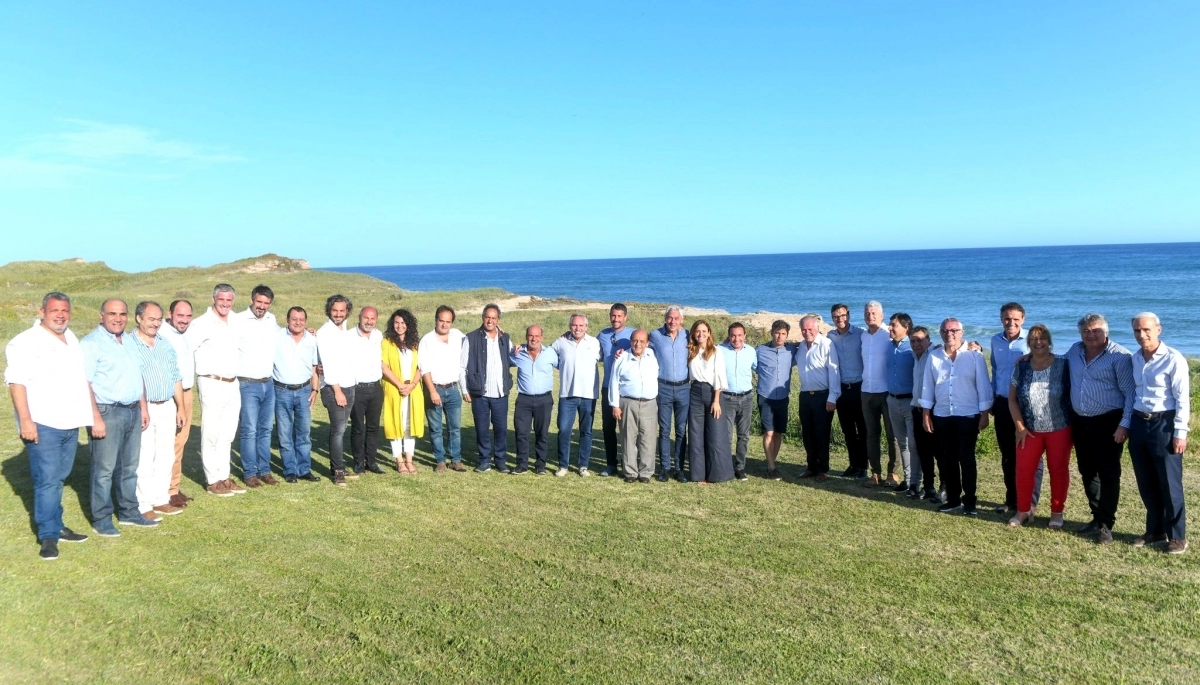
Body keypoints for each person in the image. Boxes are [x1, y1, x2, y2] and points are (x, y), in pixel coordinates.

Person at [5, 292, 97, 560]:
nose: (61, 315)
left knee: (59, 476)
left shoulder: (71, 338)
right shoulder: (25, 342)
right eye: (55, 310)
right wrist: (26, 421)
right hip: (43, 422)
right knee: (46, 480)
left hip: (69, 422)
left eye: (65, 310)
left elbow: (80, 380)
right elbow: (17, 382)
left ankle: (57, 525)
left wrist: (89, 416)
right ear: (42, 311)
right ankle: (47, 535)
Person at [81, 298, 155, 533]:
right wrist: (95, 418)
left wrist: (143, 407)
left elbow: (138, 376)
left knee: (129, 467)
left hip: (132, 410)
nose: (118, 318)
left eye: (122, 314)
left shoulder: (130, 342)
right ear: (101, 315)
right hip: (107, 412)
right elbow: (85, 383)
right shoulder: (91, 344)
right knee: (104, 470)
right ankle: (101, 519)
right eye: (112, 314)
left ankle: (128, 512)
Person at [1066, 313, 1134, 544]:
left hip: (1109, 422)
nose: (1090, 334)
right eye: (1086, 330)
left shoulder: (1119, 356)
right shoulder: (1075, 351)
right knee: (1087, 471)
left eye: (1095, 330)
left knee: (1109, 473)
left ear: (1106, 332)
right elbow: (1056, 363)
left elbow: (1130, 394)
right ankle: (1096, 517)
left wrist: (1124, 425)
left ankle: (1106, 525)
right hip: (1081, 422)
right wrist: (1029, 356)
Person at [1128, 313, 1189, 554]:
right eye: (1137, 331)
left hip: (1165, 423)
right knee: (1146, 481)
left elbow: (1182, 399)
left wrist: (1180, 432)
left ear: (1158, 330)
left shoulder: (1174, 359)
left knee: (1170, 484)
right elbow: (1133, 393)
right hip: (1139, 423)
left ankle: (1177, 537)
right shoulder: (1135, 359)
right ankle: (1154, 530)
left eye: (1146, 330)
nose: (1142, 335)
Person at [920, 318, 992, 516]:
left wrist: (984, 414)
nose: (949, 333)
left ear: (961, 332)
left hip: (968, 415)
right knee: (947, 459)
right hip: (942, 414)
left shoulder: (974, 356)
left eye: (953, 330)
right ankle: (953, 500)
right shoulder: (934, 357)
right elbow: (927, 387)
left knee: (967, 459)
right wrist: (926, 413)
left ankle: (970, 502)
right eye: (944, 330)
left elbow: (983, 387)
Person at [1006, 325, 1073, 529]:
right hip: (1029, 430)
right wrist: (1019, 426)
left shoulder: (1064, 364)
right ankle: (1024, 511)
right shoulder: (1022, 367)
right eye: (1034, 338)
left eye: (1042, 338)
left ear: (1049, 340)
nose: (1038, 342)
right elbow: (1012, 400)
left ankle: (1057, 512)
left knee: (1058, 470)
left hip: (1060, 428)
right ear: (1028, 343)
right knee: (1023, 470)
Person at [186, 284, 246, 497]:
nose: (225, 304)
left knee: (228, 433)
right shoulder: (201, 324)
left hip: (232, 382)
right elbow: (186, 349)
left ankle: (224, 477)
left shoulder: (236, 321)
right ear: (214, 299)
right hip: (211, 382)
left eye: (229, 300)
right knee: (211, 432)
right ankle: (213, 480)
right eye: (222, 300)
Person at [130, 301, 186, 520]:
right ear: (139, 318)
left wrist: (180, 407)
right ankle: (143, 504)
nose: (155, 324)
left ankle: (160, 499)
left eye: (158, 319)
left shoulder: (165, 344)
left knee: (165, 454)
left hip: (167, 406)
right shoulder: (129, 344)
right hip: (144, 407)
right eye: (151, 319)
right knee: (145, 456)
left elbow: (175, 377)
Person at [991, 302, 1042, 514]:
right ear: (1001, 318)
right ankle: (1012, 499)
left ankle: (1030, 503)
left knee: (1032, 455)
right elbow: (995, 369)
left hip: (1028, 405)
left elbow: (1048, 362)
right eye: (1006, 318)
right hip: (1002, 403)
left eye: (1015, 319)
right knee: (1007, 455)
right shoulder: (995, 340)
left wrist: (1032, 356)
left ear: (1023, 319)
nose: (1011, 322)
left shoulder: (1034, 340)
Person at [235, 284, 279, 488]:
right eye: (259, 302)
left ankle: (265, 471)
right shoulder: (238, 320)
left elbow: (284, 337)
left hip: (268, 383)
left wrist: (307, 331)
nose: (262, 306)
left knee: (265, 429)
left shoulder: (272, 321)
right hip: (247, 384)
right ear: (252, 299)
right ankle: (250, 473)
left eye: (266, 303)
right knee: (249, 430)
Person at [463, 304, 513, 473]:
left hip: (500, 392)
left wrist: (520, 348)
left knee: (501, 429)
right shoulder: (470, 338)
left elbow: (512, 357)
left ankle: (500, 460)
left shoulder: (505, 338)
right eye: (487, 317)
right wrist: (464, 389)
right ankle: (484, 460)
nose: (490, 320)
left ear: (498, 320)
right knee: (482, 428)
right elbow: (462, 367)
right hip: (480, 393)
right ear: (482, 317)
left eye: (494, 318)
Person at [273, 306, 320, 483]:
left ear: (306, 321)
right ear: (287, 320)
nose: (298, 323)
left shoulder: (311, 340)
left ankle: (304, 469)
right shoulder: (277, 337)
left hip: (304, 391)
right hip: (281, 390)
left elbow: (315, 368)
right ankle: (290, 470)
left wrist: (315, 390)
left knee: (304, 432)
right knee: (285, 433)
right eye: (294, 319)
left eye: (301, 320)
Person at [551, 314, 602, 476]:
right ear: (569, 326)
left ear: (586, 327)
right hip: (567, 395)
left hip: (588, 395)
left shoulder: (594, 343)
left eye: (581, 325)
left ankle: (583, 465)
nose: (577, 328)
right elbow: (548, 355)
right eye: (574, 325)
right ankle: (563, 465)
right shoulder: (561, 342)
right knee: (564, 430)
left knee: (586, 431)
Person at [419, 305, 467, 473]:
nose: (444, 325)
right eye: (441, 321)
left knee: (455, 427)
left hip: (453, 389)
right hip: (435, 389)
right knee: (436, 428)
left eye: (448, 321)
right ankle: (440, 460)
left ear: (452, 322)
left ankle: (456, 460)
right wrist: (432, 391)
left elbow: (475, 341)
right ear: (436, 320)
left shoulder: (458, 336)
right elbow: (424, 368)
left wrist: (499, 334)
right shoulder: (426, 340)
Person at [609, 329, 659, 483]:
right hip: (627, 403)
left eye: (642, 341)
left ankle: (646, 472)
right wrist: (615, 405)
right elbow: (613, 382)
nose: (638, 344)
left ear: (647, 343)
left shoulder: (651, 355)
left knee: (648, 439)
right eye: (635, 340)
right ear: (630, 341)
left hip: (649, 403)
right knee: (628, 438)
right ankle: (630, 472)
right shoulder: (622, 357)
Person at [795, 315, 841, 481]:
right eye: (804, 330)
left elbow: (834, 371)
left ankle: (822, 469)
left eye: (810, 329)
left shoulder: (826, 344)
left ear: (817, 328)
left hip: (823, 396)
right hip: (805, 396)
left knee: (822, 433)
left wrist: (832, 397)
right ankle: (811, 467)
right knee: (807, 433)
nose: (807, 333)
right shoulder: (801, 346)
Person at [317, 294, 357, 486]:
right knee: (338, 430)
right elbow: (328, 364)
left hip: (350, 385)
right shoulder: (325, 333)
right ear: (329, 310)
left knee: (342, 428)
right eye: (335, 310)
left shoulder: (345, 329)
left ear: (347, 311)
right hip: (335, 388)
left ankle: (337, 466)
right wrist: (337, 390)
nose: (338, 314)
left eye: (342, 311)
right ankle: (338, 471)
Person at [159, 300, 195, 508]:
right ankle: (166, 490)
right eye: (180, 316)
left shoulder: (187, 332)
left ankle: (174, 487)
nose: (184, 320)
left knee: (180, 442)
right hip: (173, 395)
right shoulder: (162, 333)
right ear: (170, 313)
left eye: (188, 316)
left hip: (187, 392)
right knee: (169, 444)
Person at [510, 325, 559, 475]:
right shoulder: (517, 353)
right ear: (526, 336)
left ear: (542, 338)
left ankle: (540, 465)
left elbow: (565, 365)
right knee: (521, 433)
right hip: (524, 400)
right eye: (531, 335)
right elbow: (502, 360)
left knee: (542, 433)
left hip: (544, 400)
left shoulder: (550, 353)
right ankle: (522, 464)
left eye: (537, 336)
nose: (534, 339)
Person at [686, 320, 731, 483]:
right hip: (694, 393)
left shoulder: (716, 351)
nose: (701, 334)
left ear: (709, 333)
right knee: (696, 435)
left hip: (713, 393)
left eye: (704, 331)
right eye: (698, 331)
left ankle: (718, 474)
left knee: (716, 434)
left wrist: (716, 400)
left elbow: (719, 375)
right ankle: (699, 475)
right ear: (693, 333)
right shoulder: (690, 350)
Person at [381, 309, 424, 475]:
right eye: (397, 322)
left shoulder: (415, 344)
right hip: (394, 388)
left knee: (409, 424)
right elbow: (384, 366)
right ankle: (399, 461)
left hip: (413, 390)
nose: (400, 326)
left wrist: (412, 384)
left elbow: (421, 366)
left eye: (403, 323)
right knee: (395, 423)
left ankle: (409, 459)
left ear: (409, 325)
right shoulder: (386, 343)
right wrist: (399, 384)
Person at [650, 305, 690, 481]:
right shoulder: (656, 335)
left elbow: (707, 343)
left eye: (676, 318)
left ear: (681, 320)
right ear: (665, 318)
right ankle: (665, 469)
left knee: (681, 430)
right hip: (663, 388)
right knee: (665, 430)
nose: (672, 321)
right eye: (670, 318)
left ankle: (679, 468)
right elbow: (639, 345)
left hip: (684, 388)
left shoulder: (688, 336)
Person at [860, 301, 897, 486]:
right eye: (867, 313)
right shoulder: (862, 336)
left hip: (886, 391)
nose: (870, 316)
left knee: (892, 435)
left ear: (882, 315)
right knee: (871, 435)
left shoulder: (889, 335)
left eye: (874, 313)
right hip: (866, 391)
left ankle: (893, 473)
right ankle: (875, 472)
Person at [829, 303, 868, 478]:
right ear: (832, 318)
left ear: (848, 316)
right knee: (848, 430)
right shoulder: (830, 337)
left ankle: (863, 467)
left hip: (860, 387)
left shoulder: (860, 334)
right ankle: (853, 464)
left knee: (863, 429)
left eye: (843, 315)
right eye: (836, 316)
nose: (840, 319)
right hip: (842, 389)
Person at [755, 320, 796, 481]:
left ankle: (771, 463)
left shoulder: (791, 350)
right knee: (769, 432)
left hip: (783, 397)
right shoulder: (760, 350)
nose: (779, 336)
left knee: (778, 433)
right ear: (771, 332)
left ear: (787, 335)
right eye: (777, 333)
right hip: (765, 396)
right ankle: (771, 467)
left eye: (783, 334)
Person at [598, 303, 634, 477]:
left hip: (627, 389)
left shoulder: (633, 335)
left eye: (619, 316)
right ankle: (611, 464)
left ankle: (630, 464)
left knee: (629, 429)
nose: (616, 319)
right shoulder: (603, 335)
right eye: (613, 315)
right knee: (608, 427)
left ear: (625, 317)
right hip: (607, 387)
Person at [349, 306, 385, 475]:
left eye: (372, 319)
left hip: (376, 387)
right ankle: (358, 462)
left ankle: (371, 461)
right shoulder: (349, 336)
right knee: (358, 427)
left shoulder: (378, 336)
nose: (369, 321)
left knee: (373, 427)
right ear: (360, 317)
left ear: (376, 320)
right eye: (366, 318)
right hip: (358, 389)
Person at [885, 313, 918, 494]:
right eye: (890, 325)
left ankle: (916, 482)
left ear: (906, 328)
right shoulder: (889, 346)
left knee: (913, 444)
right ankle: (907, 480)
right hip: (892, 400)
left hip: (910, 402)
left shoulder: (913, 346)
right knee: (902, 443)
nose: (890, 328)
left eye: (893, 325)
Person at [720, 322, 756, 481]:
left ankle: (740, 467)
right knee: (726, 436)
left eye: (740, 335)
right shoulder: (720, 350)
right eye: (733, 335)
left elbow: (759, 368)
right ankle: (726, 467)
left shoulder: (751, 351)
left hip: (746, 398)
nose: (736, 339)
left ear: (745, 335)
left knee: (744, 435)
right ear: (729, 336)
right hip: (726, 398)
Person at [908, 326, 941, 503]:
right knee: (923, 452)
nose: (916, 344)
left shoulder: (936, 353)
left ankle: (945, 488)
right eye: (913, 341)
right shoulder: (915, 356)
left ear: (928, 339)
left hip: (934, 411)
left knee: (939, 452)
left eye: (920, 340)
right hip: (917, 409)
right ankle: (928, 488)